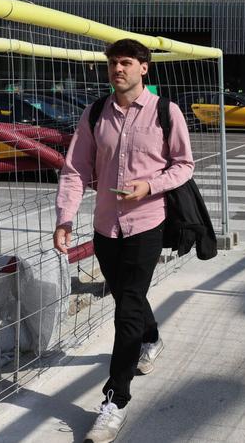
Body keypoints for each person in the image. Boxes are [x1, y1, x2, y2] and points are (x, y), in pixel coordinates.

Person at [53, 38, 194, 443]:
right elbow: (75, 170)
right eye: (113, 63)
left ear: (144, 68)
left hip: (147, 224)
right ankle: (151, 337)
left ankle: (114, 401)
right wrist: (65, 218)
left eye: (127, 63)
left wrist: (149, 186)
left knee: (126, 308)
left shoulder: (165, 112)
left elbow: (184, 165)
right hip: (105, 228)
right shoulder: (95, 113)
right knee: (124, 295)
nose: (118, 69)